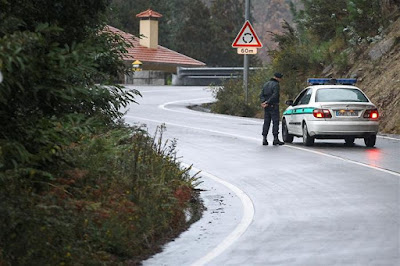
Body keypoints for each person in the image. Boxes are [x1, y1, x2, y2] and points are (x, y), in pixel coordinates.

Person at [260, 72, 285, 146]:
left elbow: (261, 95)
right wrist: (268, 102)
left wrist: (264, 102)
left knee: (266, 122)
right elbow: (275, 95)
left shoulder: (266, 84)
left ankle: (264, 139)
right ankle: (275, 139)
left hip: (266, 107)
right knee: (275, 122)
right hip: (273, 106)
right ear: (278, 78)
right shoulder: (276, 85)